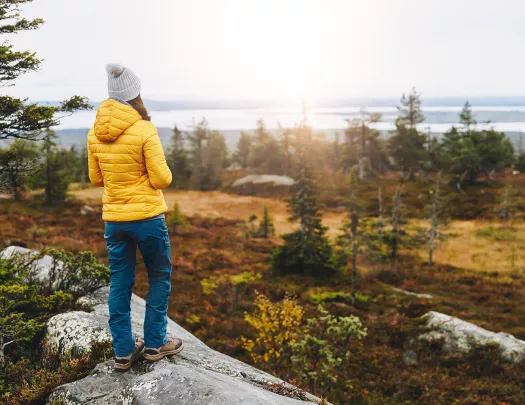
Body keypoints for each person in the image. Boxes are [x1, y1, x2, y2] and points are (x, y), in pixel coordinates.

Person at [87, 64, 183, 371]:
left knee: (120, 283)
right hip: (147, 219)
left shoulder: (94, 132)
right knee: (158, 275)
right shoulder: (144, 129)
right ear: (135, 94)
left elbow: (95, 178)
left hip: (115, 221)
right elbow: (162, 179)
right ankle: (155, 344)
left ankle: (124, 351)